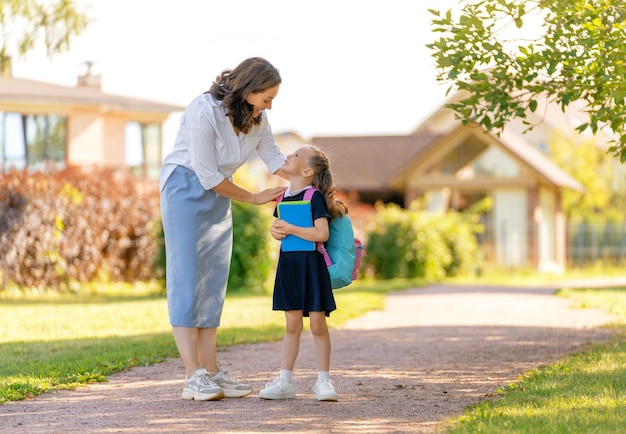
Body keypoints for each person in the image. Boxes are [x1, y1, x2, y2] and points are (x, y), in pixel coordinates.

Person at [159, 57, 287, 401]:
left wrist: (316, 178)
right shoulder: (203, 111)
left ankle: (212, 372)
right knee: (187, 278)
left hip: (218, 191)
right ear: (248, 89)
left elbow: (275, 159)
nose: (270, 105)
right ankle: (192, 377)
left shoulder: (257, 119)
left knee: (213, 281)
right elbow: (206, 174)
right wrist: (254, 197)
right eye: (267, 98)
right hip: (185, 189)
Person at [259, 145, 346, 402]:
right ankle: (285, 381)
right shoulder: (283, 197)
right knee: (292, 324)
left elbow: (321, 234)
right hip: (289, 266)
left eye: (295, 155)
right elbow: (278, 229)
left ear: (307, 171)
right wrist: (276, 231)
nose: (288, 155)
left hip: (311, 266)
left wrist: (291, 228)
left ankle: (323, 381)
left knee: (318, 324)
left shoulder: (314, 196)